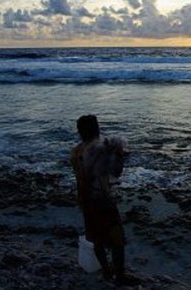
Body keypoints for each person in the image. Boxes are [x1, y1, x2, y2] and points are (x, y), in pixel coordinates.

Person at [71, 115, 141, 286]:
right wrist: (118, 153)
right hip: (102, 200)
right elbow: (116, 173)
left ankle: (107, 272)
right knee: (117, 240)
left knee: (97, 238)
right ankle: (120, 277)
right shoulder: (99, 149)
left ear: (80, 131)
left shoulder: (76, 151)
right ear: (96, 128)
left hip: (85, 200)